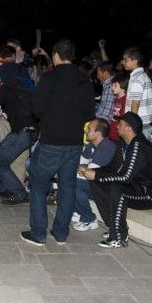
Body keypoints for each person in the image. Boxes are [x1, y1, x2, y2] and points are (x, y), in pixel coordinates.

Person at [21, 39, 95, 247]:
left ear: (55, 55)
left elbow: (38, 109)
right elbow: (90, 113)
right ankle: (61, 233)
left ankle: (38, 233)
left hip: (52, 141)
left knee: (38, 184)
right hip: (74, 143)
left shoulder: (49, 78)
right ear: (72, 55)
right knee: (67, 186)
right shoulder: (84, 80)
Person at [84, 112, 152, 247]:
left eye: (120, 124)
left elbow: (125, 177)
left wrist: (96, 175)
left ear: (129, 129)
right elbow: (113, 167)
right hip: (133, 186)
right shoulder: (123, 144)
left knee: (117, 189)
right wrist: (93, 172)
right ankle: (113, 226)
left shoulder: (139, 146)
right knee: (96, 181)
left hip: (148, 193)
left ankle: (119, 236)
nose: (117, 126)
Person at [0, 71, 36, 206]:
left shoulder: (0, 92)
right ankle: (6, 188)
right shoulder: (11, 90)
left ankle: (20, 193)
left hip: (23, 133)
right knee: (0, 159)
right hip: (26, 131)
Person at [72, 118, 117, 232]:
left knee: (72, 181)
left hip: (106, 188)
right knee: (69, 177)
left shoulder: (106, 147)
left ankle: (89, 219)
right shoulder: (92, 145)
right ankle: (78, 211)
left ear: (98, 133)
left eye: (89, 129)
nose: (86, 131)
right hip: (96, 182)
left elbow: (89, 174)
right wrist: (81, 169)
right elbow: (80, 164)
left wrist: (81, 169)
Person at [121, 47, 152, 137]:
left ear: (135, 61)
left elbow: (135, 102)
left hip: (140, 122)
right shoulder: (143, 75)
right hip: (147, 120)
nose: (123, 62)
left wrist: (132, 123)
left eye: (126, 60)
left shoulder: (136, 78)